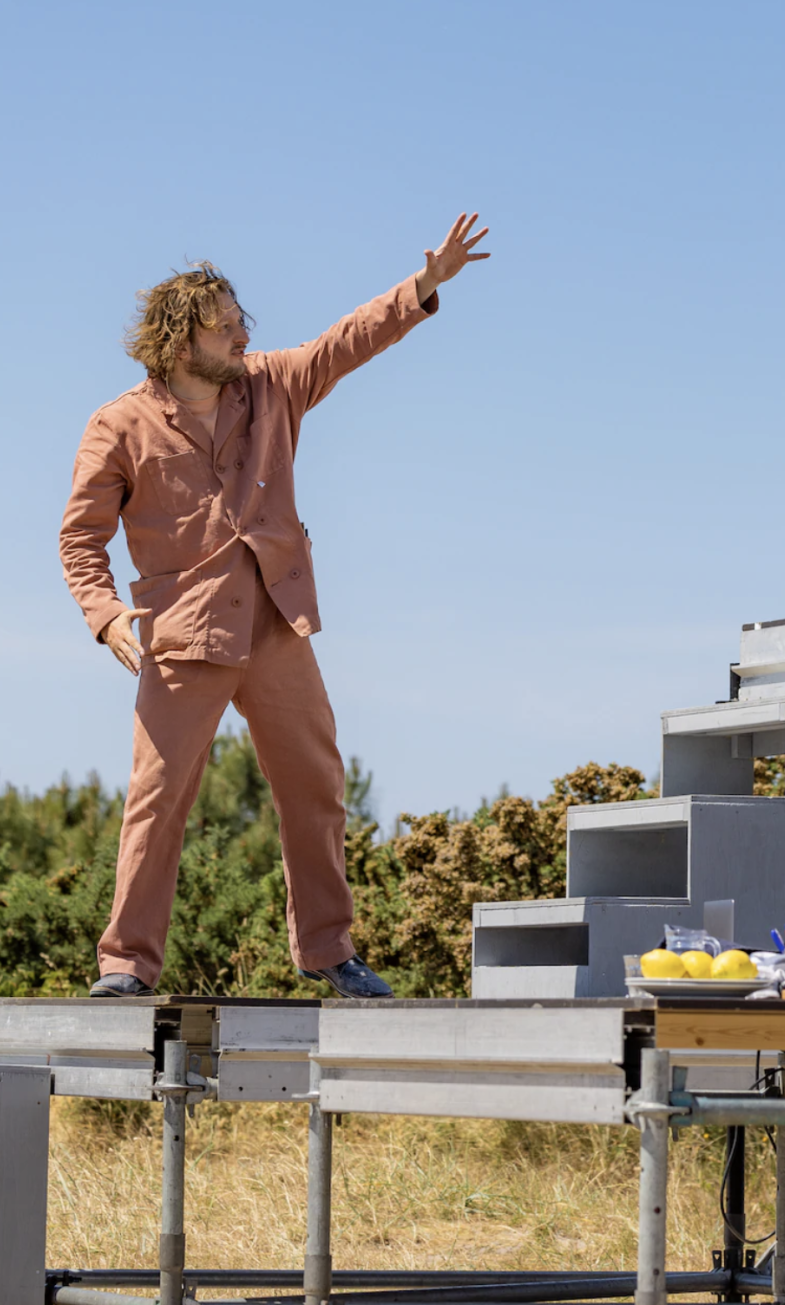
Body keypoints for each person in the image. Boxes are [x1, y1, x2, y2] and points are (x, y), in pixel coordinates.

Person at [60, 213, 491, 998]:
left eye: (240, 323)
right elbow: (79, 540)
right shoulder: (117, 425)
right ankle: (125, 966)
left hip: (274, 625)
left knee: (318, 786)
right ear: (178, 338)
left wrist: (423, 286)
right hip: (183, 637)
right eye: (223, 327)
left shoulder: (273, 385)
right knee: (156, 805)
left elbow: (343, 342)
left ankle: (327, 950)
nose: (239, 335)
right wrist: (108, 616)